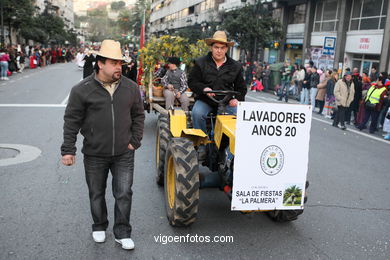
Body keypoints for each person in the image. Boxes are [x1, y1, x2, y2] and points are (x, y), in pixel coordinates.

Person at [61, 39, 145, 250]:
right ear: (100, 64)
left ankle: (122, 232)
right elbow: (71, 121)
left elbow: (139, 116)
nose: (119, 67)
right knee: (96, 192)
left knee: (124, 193)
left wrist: (134, 142)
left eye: (121, 63)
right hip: (94, 153)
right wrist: (68, 150)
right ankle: (99, 225)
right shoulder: (82, 89)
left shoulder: (131, 88)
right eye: (114, 63)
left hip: (124, 152)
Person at [189, 31, 246, 157]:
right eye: (216, 47)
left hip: (227, 102)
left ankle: (237, 149)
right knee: (197, 113)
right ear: (211, 47)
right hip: (206, 100)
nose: (219, 51)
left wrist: (237, 99)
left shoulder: (235, 66)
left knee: (242, 116)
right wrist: (204, 89)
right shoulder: (200, 63)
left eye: (222, 48)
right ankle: (202, 143)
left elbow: (241, 88)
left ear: (226, 49)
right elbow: (192, 82)